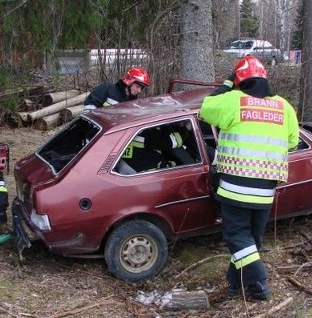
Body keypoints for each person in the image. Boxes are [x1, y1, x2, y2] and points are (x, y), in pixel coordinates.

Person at [199, 55, 299, 301]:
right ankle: (237, 286)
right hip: (266, 189)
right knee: (251, 240)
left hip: (235, 185)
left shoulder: (234, 101)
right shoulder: (283, 106)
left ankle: (260, 281)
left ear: (239, 81)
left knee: (236, 237)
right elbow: (293, 142)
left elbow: (205, 107)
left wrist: (226, 84)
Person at [119, 121, 192, 173]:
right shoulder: (149, 132)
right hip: (151, 172)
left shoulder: (133, 125)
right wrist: (186, 129)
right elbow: (171, 142)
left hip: (135, 166)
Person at [83, 67, 150, 111]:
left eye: (141, 88)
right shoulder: (106, 89)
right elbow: (88, 108)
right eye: (137, 87)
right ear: (129, 82)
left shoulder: (132, 101)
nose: (139, 91)